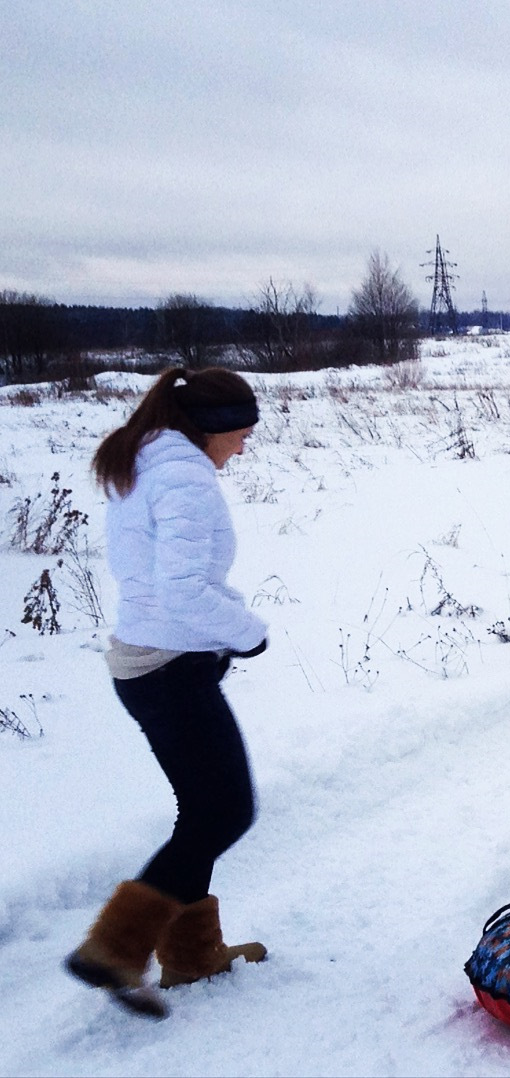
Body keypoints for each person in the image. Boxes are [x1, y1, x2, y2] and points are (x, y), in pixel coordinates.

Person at [66, 367, 271, 1019]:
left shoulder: (149, 459)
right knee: (225, 812)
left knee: (201, 809)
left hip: (149, 662)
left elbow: (161, 579)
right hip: (169, 667)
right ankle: (115, 947)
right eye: (239, 435)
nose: (242, 447)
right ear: (209, 430)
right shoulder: (183, 476)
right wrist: (248, 634)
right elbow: (182, 588)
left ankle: (192, 956)